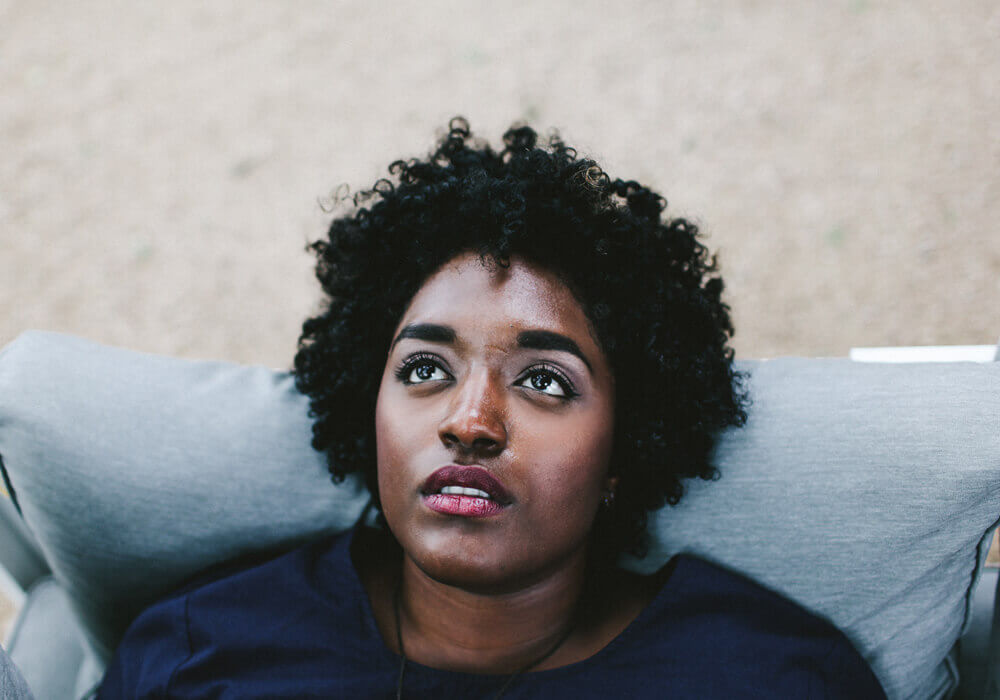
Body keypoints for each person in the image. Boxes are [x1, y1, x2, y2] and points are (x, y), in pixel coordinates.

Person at [98, 118, 886, 698]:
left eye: (545, 381)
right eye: (425, 368)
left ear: (627, 447)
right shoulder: (207, 647)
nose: (470, 421)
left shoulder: (769, 676)